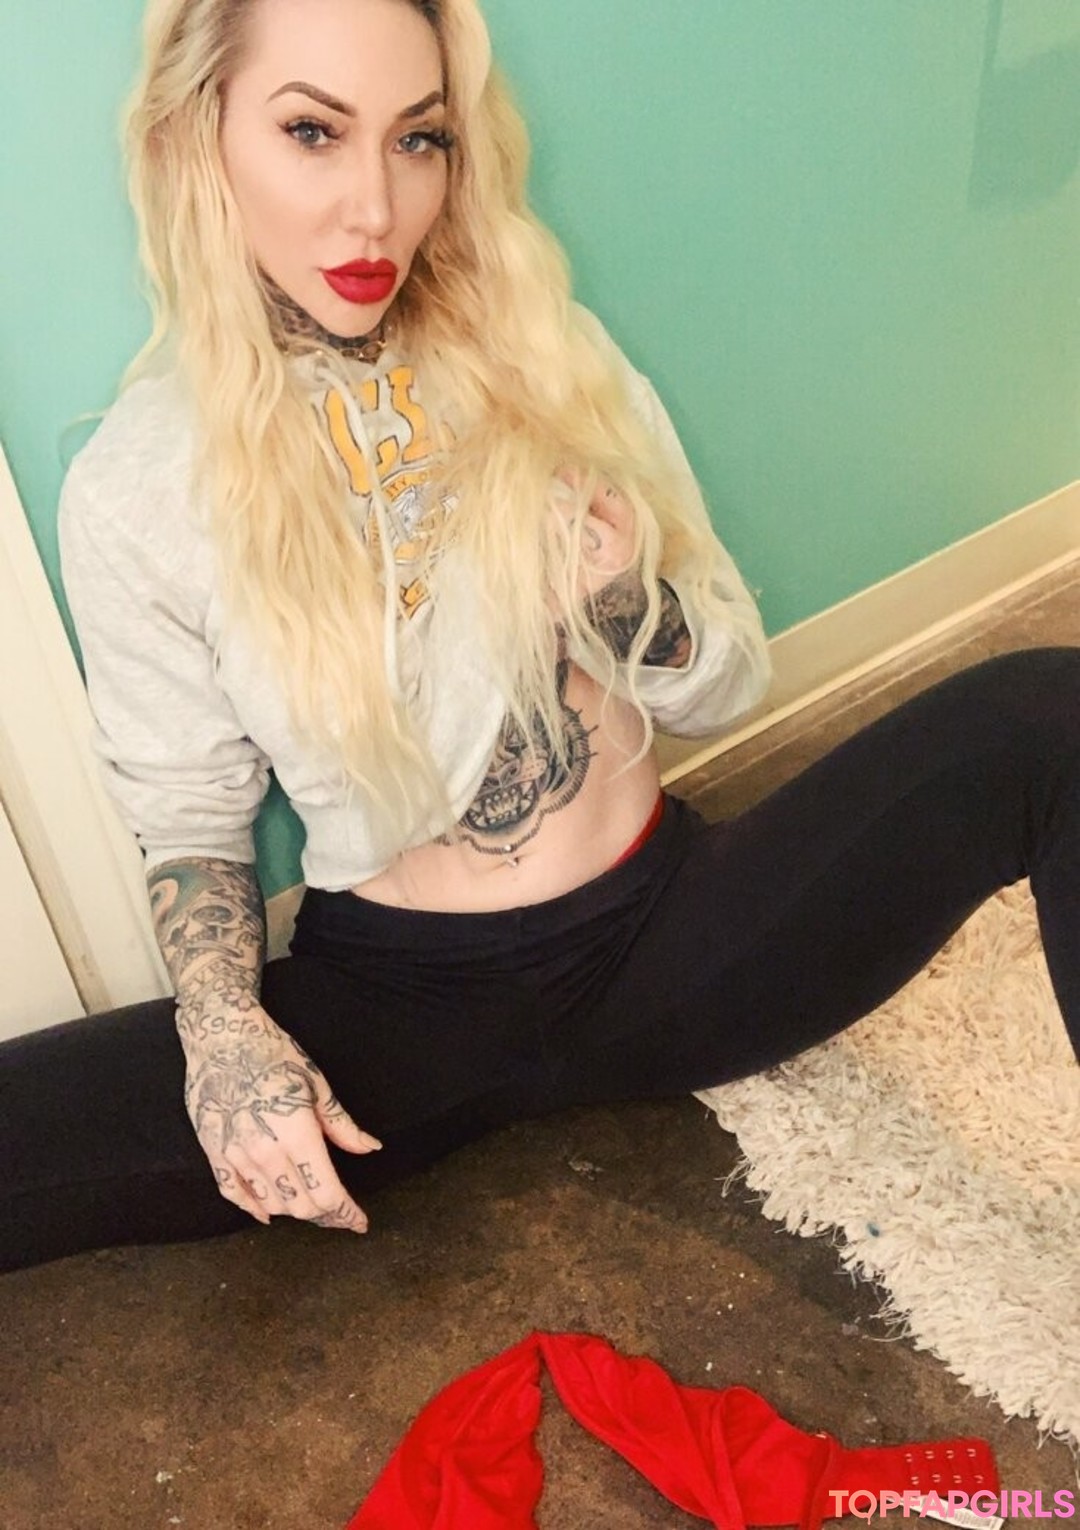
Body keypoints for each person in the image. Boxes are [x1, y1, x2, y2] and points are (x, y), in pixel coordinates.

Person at [3, 0, 1079, 1274]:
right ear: (199, 136)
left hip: (673, 934)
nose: (375, 209)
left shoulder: (545, 354)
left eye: (418, 139)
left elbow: (724, 685)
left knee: (1050, 719)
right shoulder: (137, 484)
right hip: (397, 1009)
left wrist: (622, 602)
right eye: (312, 132)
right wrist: (227, 1037)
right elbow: (190, 818)